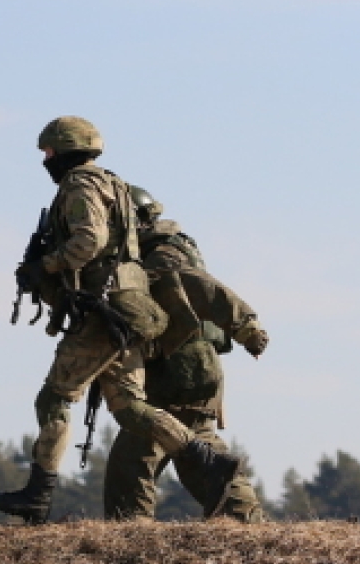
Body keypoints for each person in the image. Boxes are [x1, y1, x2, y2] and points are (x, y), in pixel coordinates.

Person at [0, 118, 244, 524]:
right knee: (131, 409)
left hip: (105, 312)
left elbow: (89, 241)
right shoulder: (115, 185)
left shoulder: (80, 184)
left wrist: (46, 266)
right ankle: (208, 462)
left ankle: (38, 494)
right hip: (130, 310)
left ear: (66, 150)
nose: (46, 161)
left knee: (53, 398)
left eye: (49, 153)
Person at [102, 187, 269, 521]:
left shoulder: (161, 256)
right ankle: (246, 521)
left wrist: (247, 328)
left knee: (136, 456)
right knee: (198, 446)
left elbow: (202, 287)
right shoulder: (157, 252)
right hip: (190, 365)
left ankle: (130, 534)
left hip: (180, 368)